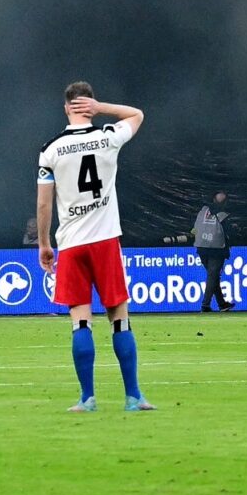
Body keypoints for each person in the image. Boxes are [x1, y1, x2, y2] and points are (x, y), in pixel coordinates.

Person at [35, 84, 149, 412]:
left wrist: (44, 243)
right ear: (88, 105)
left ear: (66, 108)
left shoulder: (51, 149)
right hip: (105, 239)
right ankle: (133, 397)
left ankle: (87, 399)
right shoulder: (109, 136)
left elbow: (44, 204)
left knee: (80, 320)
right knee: (120, 319)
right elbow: (137, 114)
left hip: (71, 244)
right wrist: (103, 107)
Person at [187, 192, 233, 312]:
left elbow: (194, 229)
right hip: (217, 249)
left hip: (201, 247)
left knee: (213, 277)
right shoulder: (224, 215)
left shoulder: (202, 211)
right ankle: (205, 305)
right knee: (212, 276)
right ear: (225, 203)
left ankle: (222, 304)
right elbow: (229, 233)